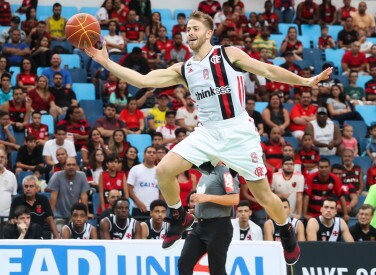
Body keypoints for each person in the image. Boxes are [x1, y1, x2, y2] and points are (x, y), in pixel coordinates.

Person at [86, 10, 333, 265]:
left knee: (263, 195)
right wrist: (106, 62)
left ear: (209, 33)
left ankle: (285, 229)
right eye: (188, 29)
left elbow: (267, 70)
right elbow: (143, 79)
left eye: (195, 28)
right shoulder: (184, 68)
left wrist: (306, 81)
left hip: (238, 132)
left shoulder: (227, 54)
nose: (190, 32)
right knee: (163, 171)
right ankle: (179, 216)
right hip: (207, 132)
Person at [178, 164, 239, 274]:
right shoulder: (205, 172)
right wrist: (197, 211)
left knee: (216, 270)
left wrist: (207, 197)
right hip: (200, 226)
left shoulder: (225, 172)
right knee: (184, 263)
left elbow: (234, 198)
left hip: (219, 227)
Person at [9, 175, 59, 239]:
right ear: (23, 188)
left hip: (39, 234)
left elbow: (50, 219)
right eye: (26, 186)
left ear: (37, 188)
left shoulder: (43, 199)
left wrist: (56, 236)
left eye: (31, 186)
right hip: (21, 234)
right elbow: (12, 220)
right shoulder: (16, 200)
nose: (28, 189)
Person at [48, 157, 90, 223]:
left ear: (77, 166)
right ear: (64, 166)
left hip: (75, 215)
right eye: (69, 165)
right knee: (59, 231)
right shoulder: (57, 176)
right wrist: (49, 215)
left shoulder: (82, 176)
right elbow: (53, 197)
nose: (71, 167)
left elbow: (84, 197)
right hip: (58, 216)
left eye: (73, 165)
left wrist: (86, 214)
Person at [127, 146, 160, 218]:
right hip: (138, 208)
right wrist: (138, 203)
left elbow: (161, 191)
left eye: (154, 153)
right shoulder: (135, 169)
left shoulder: (159, 171)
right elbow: (129, 189)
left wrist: (159, 206)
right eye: (149, 152)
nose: (151, 154)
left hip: (154, 210)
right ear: (144, 155)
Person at [0, 148, 18, 219]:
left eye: (2, 157)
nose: (0, 159)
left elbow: (14, 196)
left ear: (6, 159)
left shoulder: (11, 176)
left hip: (7, 217)